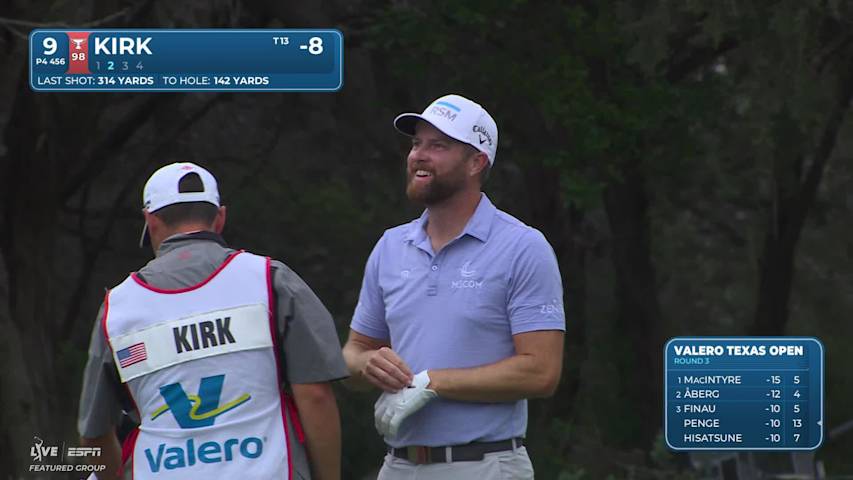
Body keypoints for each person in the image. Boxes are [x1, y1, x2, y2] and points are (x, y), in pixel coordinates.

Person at [343, 94, 566, 479]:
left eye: (438, 145)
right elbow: (352, 355)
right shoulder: (390, 247)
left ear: (477, 162)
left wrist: (432, 383)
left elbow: (541, 373)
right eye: (416, 144)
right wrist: (367, 364)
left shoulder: (523, 247)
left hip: (486, 465)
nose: (419, 155)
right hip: (398, 466)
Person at [78, 162, 347, 479]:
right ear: (219, 218)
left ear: (150, 222)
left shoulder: (117, 308)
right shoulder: (269, 280)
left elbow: (93, 435)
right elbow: (315, 396)